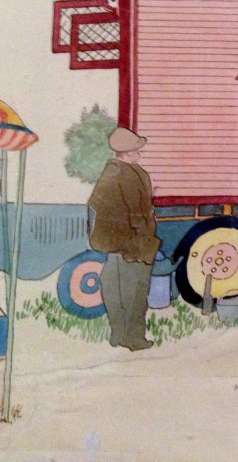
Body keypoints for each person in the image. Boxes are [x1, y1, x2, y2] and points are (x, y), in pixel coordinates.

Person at [88, 126, 161, 350]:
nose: (140, 152)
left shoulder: (110, 172)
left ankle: (117, 335)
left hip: (114, 246)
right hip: (134, 245)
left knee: (114, 291)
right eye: (137, 149)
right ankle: (134, 338)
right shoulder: (130, 174)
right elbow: (136, 213)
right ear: (127, 152)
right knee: (135, 293)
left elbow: (96, 204)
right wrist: (144, 237)